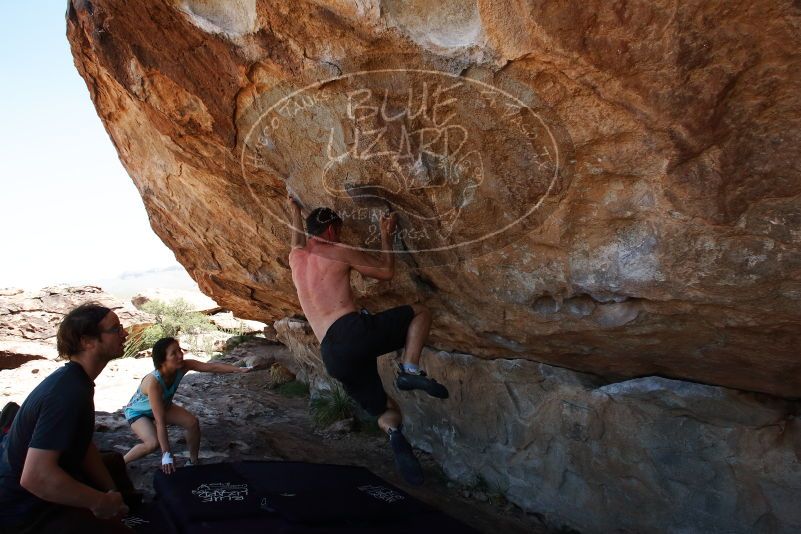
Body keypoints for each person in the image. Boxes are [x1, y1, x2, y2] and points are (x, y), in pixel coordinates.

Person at [286, 194, 448, 486]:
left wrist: (294, 210)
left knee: (387, 411)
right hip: (350, 330)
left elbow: (296, 238)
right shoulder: (338, 250)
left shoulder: (295, 258)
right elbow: (386, 272)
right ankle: (410, 370)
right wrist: (386, 236)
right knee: (421, 312)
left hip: (331, 356)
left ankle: (396, 437)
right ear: (333, 231)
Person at [0, 303, 135, 533]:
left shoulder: (76, 380)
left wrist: (111, 492)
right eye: (115, 329)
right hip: (25, 510)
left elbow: (82, 446)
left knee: (113, 462)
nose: (125, 333)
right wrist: (100, 502)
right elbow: (34, 477)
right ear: (87, 341)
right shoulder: (67, 393)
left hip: (34, 489)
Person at [122, 337, 253, 473]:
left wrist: (238, 369)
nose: (180, 355)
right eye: (174, 353)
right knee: (152, 444)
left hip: (163, 405)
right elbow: (160, 422)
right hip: (138, 413)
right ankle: (120, 462)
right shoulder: (153, 383)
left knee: (192, 423)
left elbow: (211, 367)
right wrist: (166, 454)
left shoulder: (183, 366)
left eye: (179, 350)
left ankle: (193, 461)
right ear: (162, 361)